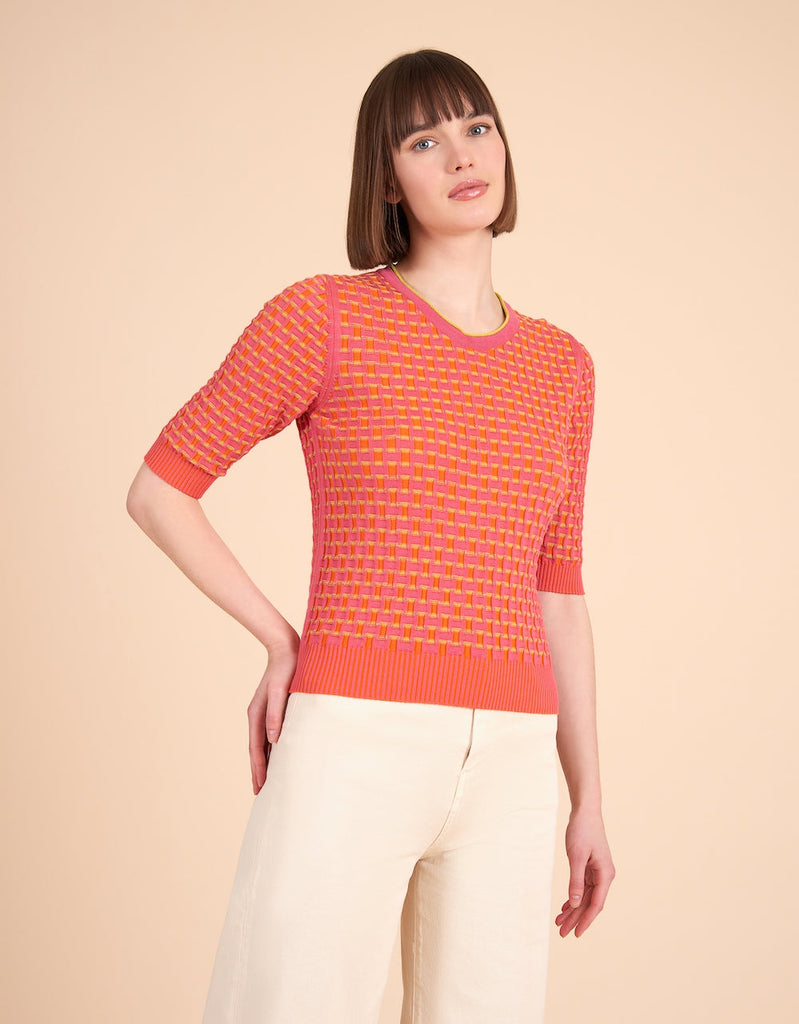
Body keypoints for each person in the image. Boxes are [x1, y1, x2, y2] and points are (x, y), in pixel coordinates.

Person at [126, 47, 615, 1024]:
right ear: (386, 179)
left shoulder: (563, 367)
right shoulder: (324, 318)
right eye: (422, 140)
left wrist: (588, 798)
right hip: (353, 737)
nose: (461, 154)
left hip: (514, 761)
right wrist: (282, 640)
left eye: (476, 126)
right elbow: (160, 490)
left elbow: (557, 592)